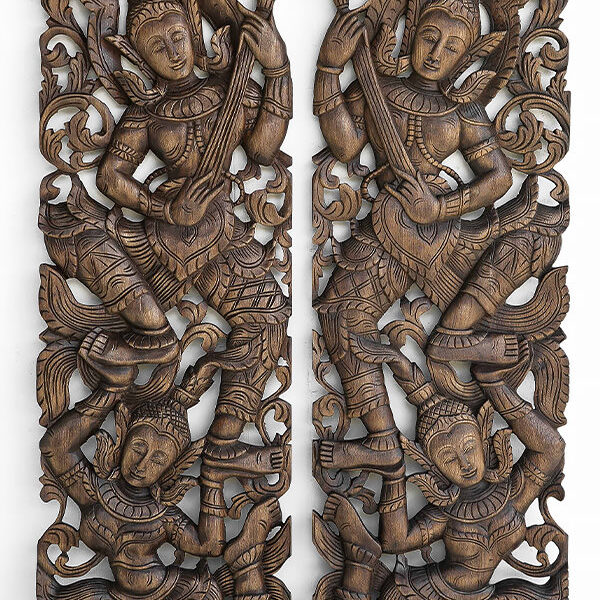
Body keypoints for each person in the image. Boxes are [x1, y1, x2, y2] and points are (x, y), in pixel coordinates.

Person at [40, 0, 292, 549]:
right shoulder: (147, 113)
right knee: (78, 236)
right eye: (158, 47)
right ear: (141, 56)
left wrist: (277, 71)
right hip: (159, 235)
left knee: (269, 317)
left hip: (221, 239)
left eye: (179, 38)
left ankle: (223, 439)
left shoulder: (230, 93)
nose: (173, 53)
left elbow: (263, 146)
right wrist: (162, 207)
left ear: (196, 38)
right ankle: (153, 333)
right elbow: (111, 176)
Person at [38, 359, 283, 600]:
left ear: (169, 469)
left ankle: (248, 557)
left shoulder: (163, 517)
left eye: (158, 460)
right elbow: (55, 446)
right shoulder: (93, 491)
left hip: (167, 591)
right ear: (123, 440)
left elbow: (209, 546)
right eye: (138, 448)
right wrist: (111, 389)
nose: (141, 465)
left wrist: (211, 479)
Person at [322, 365, 567, 600]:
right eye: (449, 458)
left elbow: (552, 448)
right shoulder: (446, 514)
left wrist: (494, 385)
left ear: (483, 441)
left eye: (469, 448)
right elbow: (396, 541)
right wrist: (394, 474)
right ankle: (360, 558)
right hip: (434, 591)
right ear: (433, 466)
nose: (465, 464)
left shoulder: (514, 492)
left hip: (486, 592)